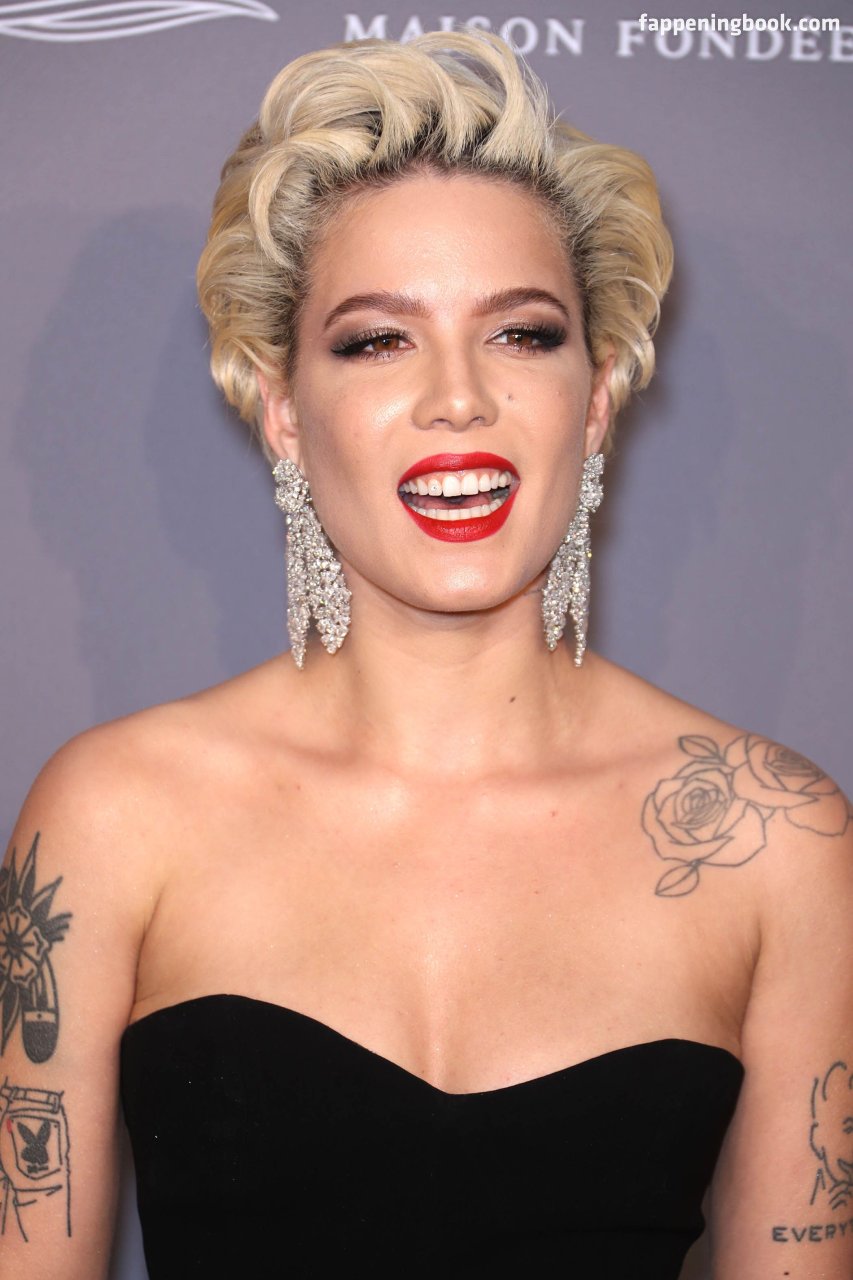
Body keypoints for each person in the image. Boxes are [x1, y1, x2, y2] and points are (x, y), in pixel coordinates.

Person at [0, 29, 851, 1280]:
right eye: (376, 340)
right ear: (283, 410)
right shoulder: (115, 816)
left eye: (522, 333)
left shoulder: (777, 843)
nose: (458, 397)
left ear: (596, 398)